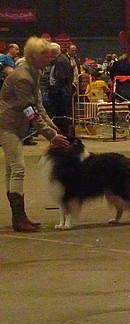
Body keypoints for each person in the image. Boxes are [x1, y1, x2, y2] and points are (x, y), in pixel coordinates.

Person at [0, 36, 69, 231]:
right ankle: (19, 218)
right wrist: (51, 136)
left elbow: (38, 105)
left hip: (17, 126)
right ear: (34, 57)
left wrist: (51, 125)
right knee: (18, 168)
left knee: (11, 170)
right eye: (46, 56)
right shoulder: (23, 77)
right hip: (7, 126)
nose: (50, 60)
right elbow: (29, 110)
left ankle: (18, 218)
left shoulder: (34, 73)